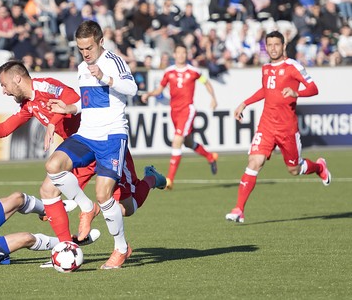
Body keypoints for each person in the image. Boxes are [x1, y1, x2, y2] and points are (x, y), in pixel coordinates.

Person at [0, 61, 165, 265]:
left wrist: (52, 122)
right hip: (79, 152)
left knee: (125, 209)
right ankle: (66, 249)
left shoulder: (45, 86)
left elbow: (72, 98)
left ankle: (150, 179)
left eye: (4, 85)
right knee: (48, 190)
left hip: (103, 142)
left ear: (17, 78)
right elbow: (4, 129)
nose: (4, 91)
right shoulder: (28, 105)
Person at [44, 20, 138, 269]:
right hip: (86, 134)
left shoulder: (113, 62)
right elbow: (88, 102)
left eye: (89, 48)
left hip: (111, 136)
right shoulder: (81, 67)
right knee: (53, 165)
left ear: (100, 42)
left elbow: (132, 87)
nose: (85, 53)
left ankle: (120, 248)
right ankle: (87, 208)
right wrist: (70, 108)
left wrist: (106, 77)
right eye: (81, 49)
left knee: (103, 193)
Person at [225, 31, 331, 223]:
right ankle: (239, 209)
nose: (273, 48)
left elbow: (313, 88)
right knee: (254, 162)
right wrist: (245, 103)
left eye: (276, 45)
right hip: (266, 126)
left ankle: (319, 167)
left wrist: (296, 92)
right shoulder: (265, 68)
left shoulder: (293, 66)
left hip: (287, 130)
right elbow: (266, 90)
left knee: (294, 169)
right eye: (269, 45)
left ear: (283, 46)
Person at [141, 44, 219, 190]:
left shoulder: (193, 72)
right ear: (174, 55)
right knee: (188, 143)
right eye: (179, 53)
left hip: (187, 110)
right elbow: (160, 89)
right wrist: (149, 94)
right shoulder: (169, 72)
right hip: (174, 112)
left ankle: (169, 180)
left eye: (184, 53)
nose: (181, 55)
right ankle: (210, 156)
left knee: (177, 141)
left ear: (187, 54)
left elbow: (206, 82)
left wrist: (213, 98)